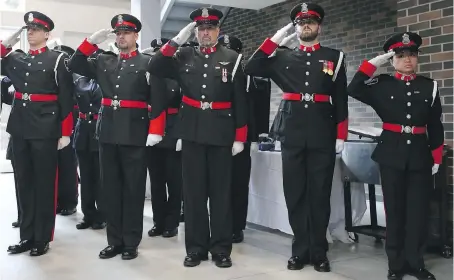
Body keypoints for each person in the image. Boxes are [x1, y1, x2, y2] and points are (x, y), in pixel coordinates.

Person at [244, 3, 348, 272]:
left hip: (322, 133)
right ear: (296, 27)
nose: (306, 26)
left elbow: (341, 99)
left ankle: (319, 251)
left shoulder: (334, 57)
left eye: (310, 22)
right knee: (295, 194)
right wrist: (276, 39)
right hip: (292, 133)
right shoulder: (281, 57)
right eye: (301, 22)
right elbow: (250, 66)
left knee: (320, 194)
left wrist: (341, 134)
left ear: (319, 26)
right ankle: (300, 250)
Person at [148, 7, 248, 268]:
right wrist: (177, 40)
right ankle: (195, 248)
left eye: (210, 28)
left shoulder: (233, 58)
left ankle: (221, 249)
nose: (205, 32)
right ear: (196, 31)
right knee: (193, 195)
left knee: (220, 195)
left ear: (218, 30)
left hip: (221, 133)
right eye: (200, 28)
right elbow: (155, 65)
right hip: (191, 132)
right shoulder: (183, 54)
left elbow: (240, 100)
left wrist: (240, 136)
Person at [348, 32, 443, 280]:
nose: (407, 60)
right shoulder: (382, 84)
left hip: (420, 156)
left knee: (417, 212)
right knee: (395, 211)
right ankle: (396, 264)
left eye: (411, 54)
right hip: (391, 154)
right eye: (401, 56)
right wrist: (373, 64)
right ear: (393, 60)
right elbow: (353, 88)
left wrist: (436, 157)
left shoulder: (429, 86)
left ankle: (416, 263)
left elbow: (436, 125)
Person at [68, 14, 160, 260]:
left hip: (135, 133)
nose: (121, 37)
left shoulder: (147, 63)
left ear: (135, 36)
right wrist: (91, 42)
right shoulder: (104, 61)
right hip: (107, 133)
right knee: (110, 190)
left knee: (133, 190)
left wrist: (155, 130)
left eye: (126, 33)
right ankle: (115, 240)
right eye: (118, 33)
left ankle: (131, 242)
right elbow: (75, 63)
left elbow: (158, 98)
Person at [1, 11, 74, 256]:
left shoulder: (57, 59)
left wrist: (65, 132)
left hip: (45, 129)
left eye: (35, 28)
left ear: (46, 33)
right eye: (28, 29)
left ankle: (42, 238)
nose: (30, 32)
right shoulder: (17, 60)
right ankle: (26, 235)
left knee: (44, 185)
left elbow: (66, 97)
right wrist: (8, 41)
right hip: (20, 127)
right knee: (23, 184)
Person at [217, 34, 259, 244]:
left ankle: (237, 226)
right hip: (219, 134)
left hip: (241, 135)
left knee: (239, 184)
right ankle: (220, 223)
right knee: (219, 184)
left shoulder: (247, 75)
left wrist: (250, 137)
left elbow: (250, 109)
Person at [145, 38, 183, 239]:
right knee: (157, 183)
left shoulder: (179, 74)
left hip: (174, 131)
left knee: (174, 183)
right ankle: (158, 222)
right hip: (153, 134)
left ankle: (172, 223)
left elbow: (185, 106)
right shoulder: (149, 76)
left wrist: (181, 134)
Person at [72, 49, 106, 231]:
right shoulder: (80, 81)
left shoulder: (107, 81)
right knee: (85, 177)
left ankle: (102, 215)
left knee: (100, 177)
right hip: (82, 129)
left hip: (100, 130)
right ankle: (88, 214)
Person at [52, 44, 79, 216]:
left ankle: (69, 202)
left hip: (69, 121)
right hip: (49, 121)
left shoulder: (74, 77)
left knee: (68, 165)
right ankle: (54, 201)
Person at [1, 77, 20, 228]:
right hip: (17, 135)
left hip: (37, 136)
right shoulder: (13, 84)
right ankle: (23, 215)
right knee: (20, 181)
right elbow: (7, 99)